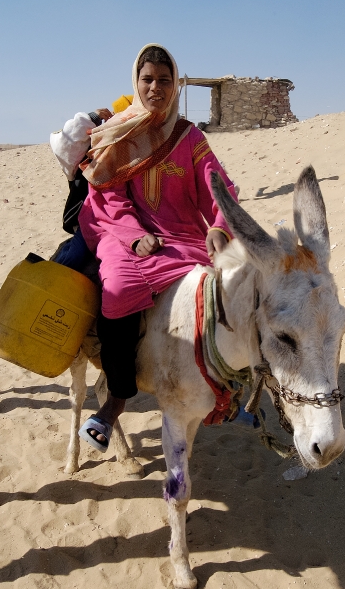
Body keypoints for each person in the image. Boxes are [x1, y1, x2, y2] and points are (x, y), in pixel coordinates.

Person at [55, 44, 237, 451]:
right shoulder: (121, 129)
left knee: (224, 288)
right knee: (118, 289)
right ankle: (116, 399)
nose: (156, 87)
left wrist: (221, 228)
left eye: (165, 80)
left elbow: (217, 187)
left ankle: (228, 386)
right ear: (136, 83)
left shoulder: (189, 136)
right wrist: (135, 234)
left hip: (182, 235)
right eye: (148, 80)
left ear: (176, 85)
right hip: (123, 233)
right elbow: (108, 194)